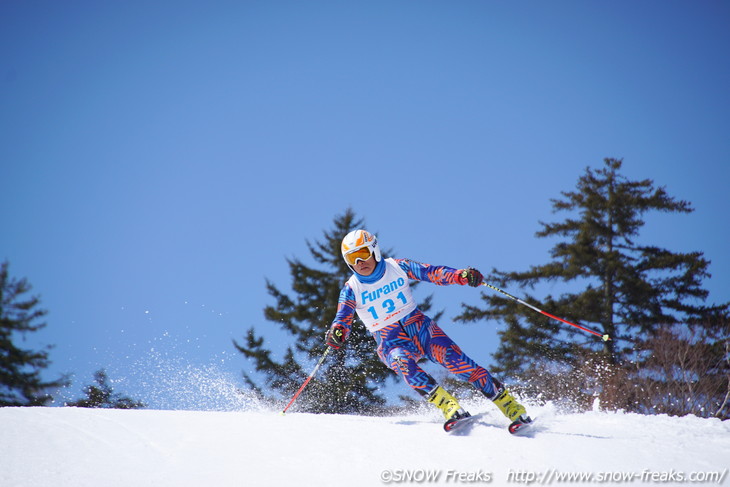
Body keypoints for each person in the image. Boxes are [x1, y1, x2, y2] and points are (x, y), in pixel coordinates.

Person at [325, 229, 532, 433]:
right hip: (391, 341)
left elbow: (432, 272)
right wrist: (337, 333)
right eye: (353, 258)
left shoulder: (397, 267)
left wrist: (461, 276)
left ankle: (512, 407)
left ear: (374, 251)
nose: (360, 262)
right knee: (401, 361)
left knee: (462, 365)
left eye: (362, 254)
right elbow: (342, 319)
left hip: (423, 331)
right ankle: (449, 407)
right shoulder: (352, 289)